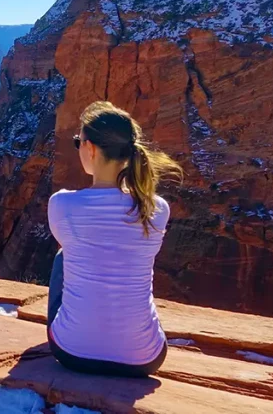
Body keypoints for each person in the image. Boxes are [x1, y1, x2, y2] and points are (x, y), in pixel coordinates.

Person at [46, 101, 183, 378]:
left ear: (91, 148)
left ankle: (84, 330)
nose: (78, 148)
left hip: (71, 353)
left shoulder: (62, 205)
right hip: (144, 358)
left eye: (78, 142)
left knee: (64, 256)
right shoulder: (156, 209)